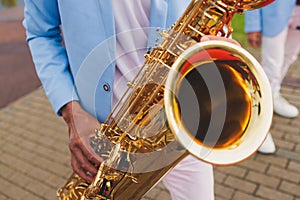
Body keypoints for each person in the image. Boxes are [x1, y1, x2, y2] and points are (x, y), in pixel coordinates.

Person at [23, 1, 241, 199]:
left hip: (181, 116)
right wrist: (72, 113)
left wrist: (224, 48)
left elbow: (214, 14)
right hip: (103, 129)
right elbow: (40, 33)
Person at [245, 0, 300, 154]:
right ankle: (257, 120)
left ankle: (274, 95)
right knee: (271, 67)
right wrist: (253, 24)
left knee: (289, 56)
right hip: (275, 11)